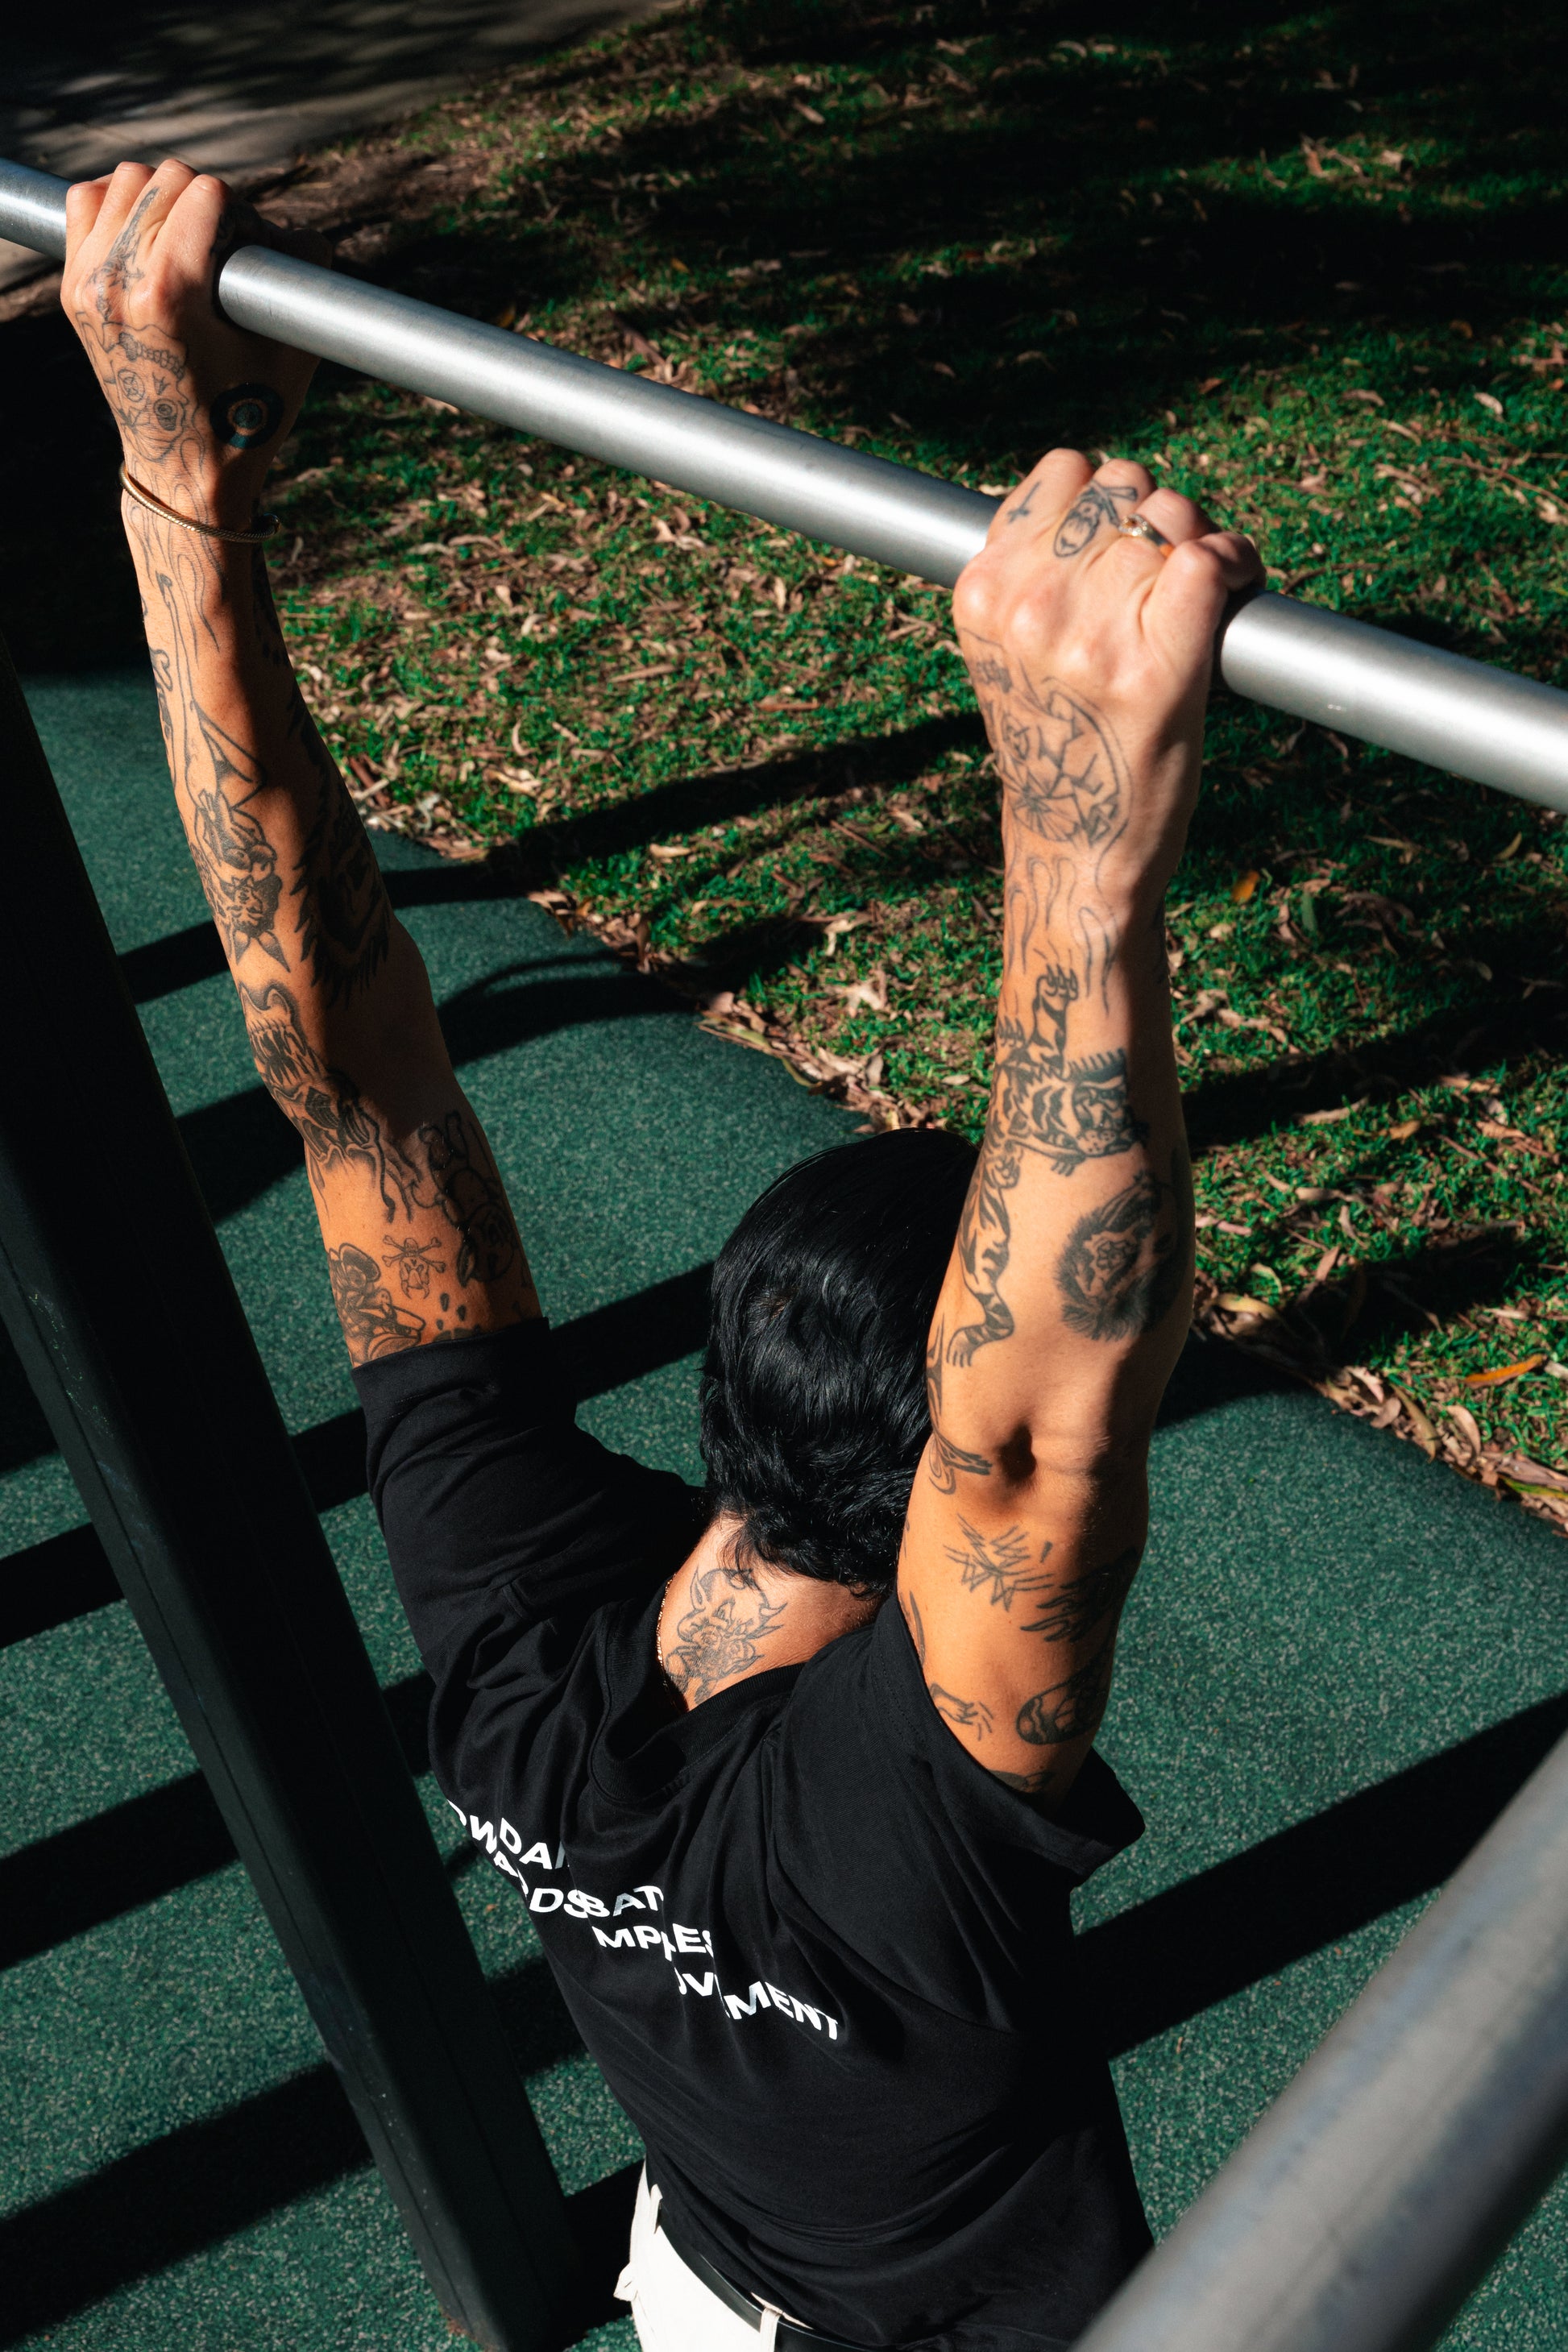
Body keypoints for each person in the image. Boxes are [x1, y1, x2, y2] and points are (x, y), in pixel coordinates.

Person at [62, 160, 1263, 2352]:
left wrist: (176, 480)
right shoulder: (894, 1823)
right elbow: (1026, 1445)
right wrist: (1077, 827)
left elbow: (352, 1085)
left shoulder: (526, 1637)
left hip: (700, 2288)